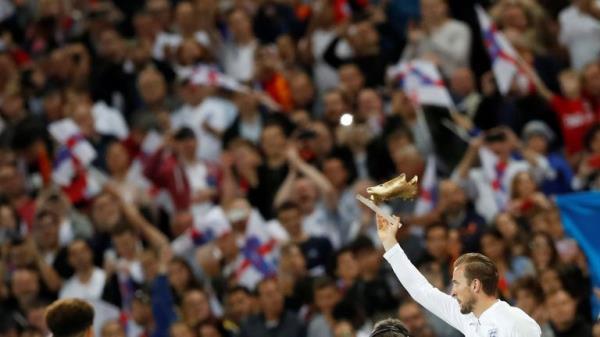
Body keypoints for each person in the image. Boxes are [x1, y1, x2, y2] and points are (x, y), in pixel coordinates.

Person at [375, 214, 541, 336]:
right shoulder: (466, 317)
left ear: (475, 285)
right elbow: (420, 290)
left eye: (457, 283)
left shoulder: (517, 321)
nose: (453, 292)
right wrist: (390, 242)